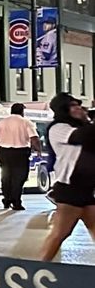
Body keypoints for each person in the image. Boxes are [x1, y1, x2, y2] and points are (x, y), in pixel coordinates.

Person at [40, 93, 95, 260]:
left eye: (78, 105)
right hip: (70, 187)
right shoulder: (58, 128)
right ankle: (37, 268)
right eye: (72, 106)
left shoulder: (86, 127)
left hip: (88, 188)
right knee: (60, 234)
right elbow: (80, 137)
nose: (77, 108)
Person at [0, 103, 40, 211]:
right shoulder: (26, 122)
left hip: (5, 152)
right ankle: (16, 201)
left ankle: (7, 199)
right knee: (19, 177)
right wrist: (38, 150)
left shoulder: (2, 122)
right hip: (21, 153)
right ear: (22, 111)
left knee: (6, 176)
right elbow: (34, 138)